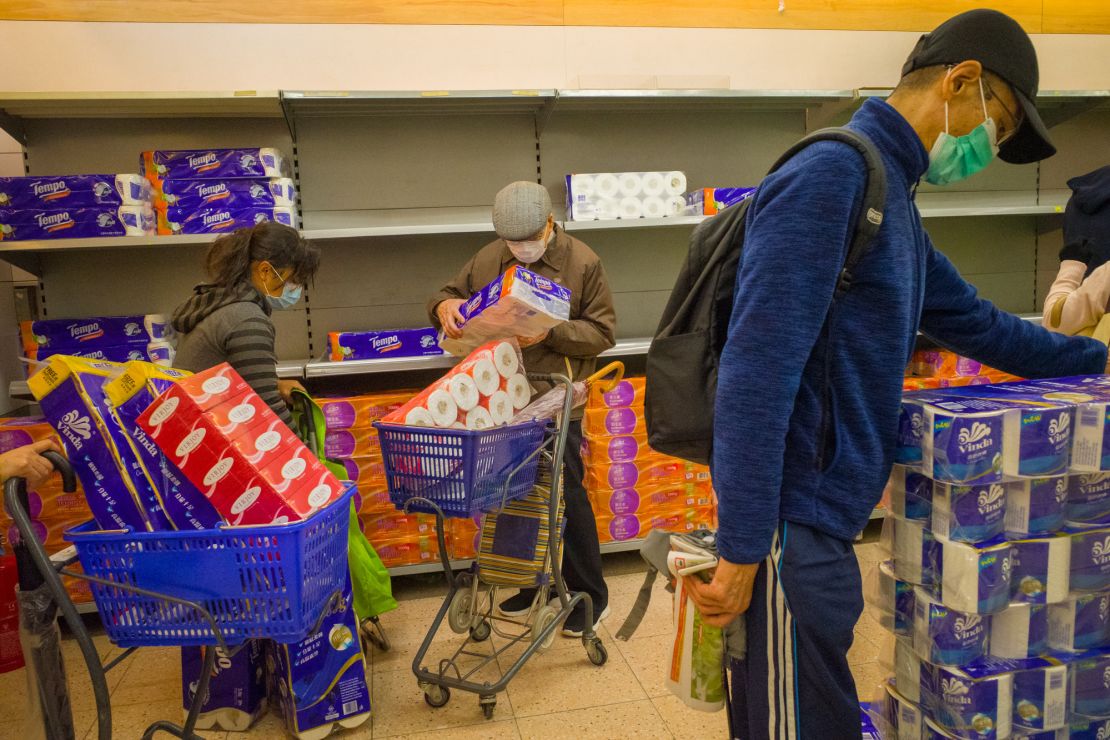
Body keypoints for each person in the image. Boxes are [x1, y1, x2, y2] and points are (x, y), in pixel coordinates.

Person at [682, 10, 1110, 739]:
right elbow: (758, 371)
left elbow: (979, 325)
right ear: (962, 81)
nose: (989, 147)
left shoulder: (891, 200)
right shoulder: (832, 176)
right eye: (999, 127)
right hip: (790, 528)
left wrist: (1097, 359)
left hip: (822, 523)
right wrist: (745, 545)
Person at [428, 181, 617, 637]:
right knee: (511, 495)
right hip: (501, 400)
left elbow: (603, 332)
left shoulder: (584, 262)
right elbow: (446, 294)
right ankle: (530, 584)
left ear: (550, 224)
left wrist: (549, 333)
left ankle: (589, 594)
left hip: (556, 398)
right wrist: (444, 305)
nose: (520, 248)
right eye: (513, 242)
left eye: (529, 238)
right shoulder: (488, 258)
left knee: (563, 494)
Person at [172, 221, 319, 424]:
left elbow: (222, 375)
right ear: (265, 271)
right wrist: (306, 454)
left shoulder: (217, 304)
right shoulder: (247, 319)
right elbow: (267, 412)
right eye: (292, 279)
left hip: (196, 431)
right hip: (217, 441)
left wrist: (273, 384)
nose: (294, 288)